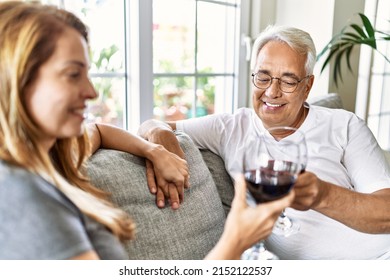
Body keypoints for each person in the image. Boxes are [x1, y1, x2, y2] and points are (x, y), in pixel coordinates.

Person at [0, 1, 293, 260]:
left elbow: (99, 131)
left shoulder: (47, 158)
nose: (91, 91)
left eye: (87, 74)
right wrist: (235, 241)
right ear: (17, 80)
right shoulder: (27, 203)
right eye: (73, 74)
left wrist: (154, 150)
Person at [139, 25, 390, 259]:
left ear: (307, 86)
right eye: (263, 76)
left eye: (289, 81)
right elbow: (151, 124)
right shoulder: (231, 127)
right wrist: (160, 137)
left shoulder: (345, 125)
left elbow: (386, 212)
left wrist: (322, 195)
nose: (272, 92)